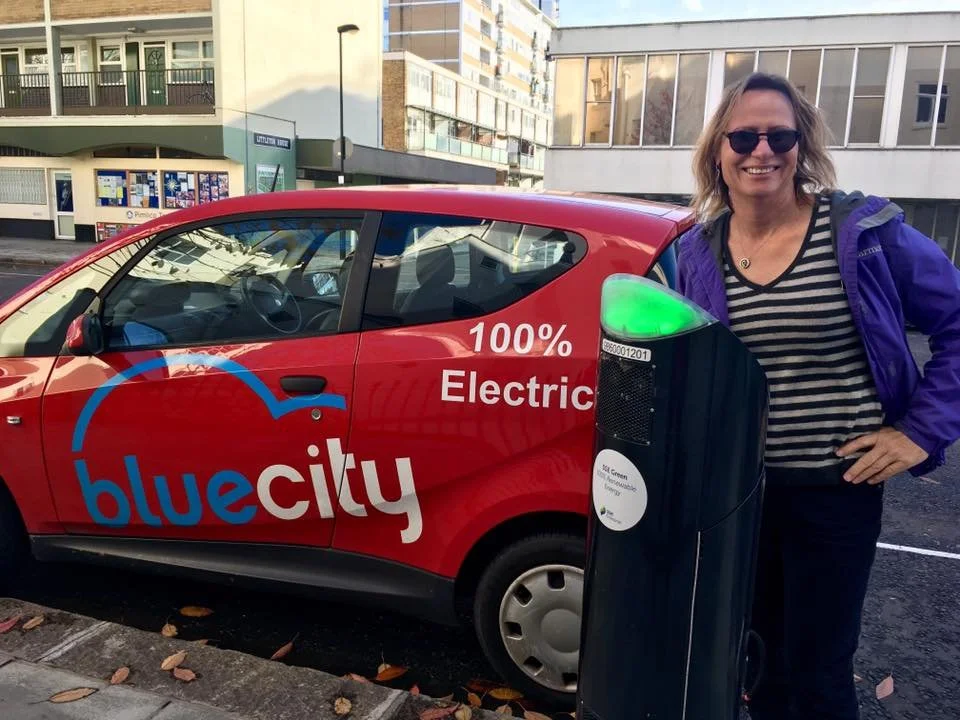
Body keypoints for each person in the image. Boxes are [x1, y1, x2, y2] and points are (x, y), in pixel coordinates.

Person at [675, 72, 960, 720]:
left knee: (821, 675)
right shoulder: (699, 252)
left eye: (780, 135)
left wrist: (918, 433)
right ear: (719, 150)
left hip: (836, 496)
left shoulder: (862, 232)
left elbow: (956, 323)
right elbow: (687, 374)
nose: (762, 150)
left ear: (802, 145)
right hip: (739, 502)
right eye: (744, 136)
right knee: (762, 667)